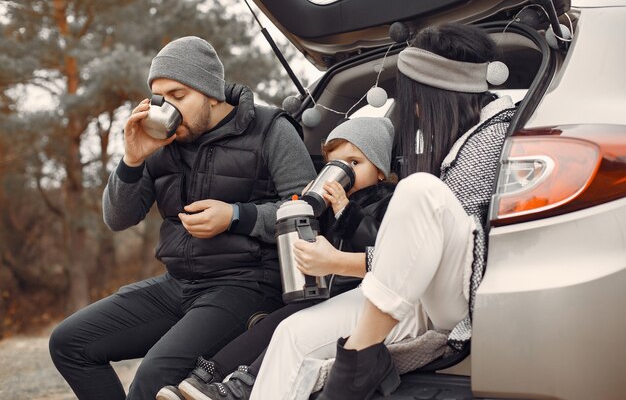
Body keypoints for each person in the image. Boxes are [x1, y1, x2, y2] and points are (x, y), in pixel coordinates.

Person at [247, 23, 517, 400]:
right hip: (410, 294)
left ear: (437, 94)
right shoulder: (459, 138)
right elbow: (406, 257)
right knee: (292, 334)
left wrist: (339, 262)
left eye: (415, 98)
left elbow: (438, 253)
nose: (415, 111)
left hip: (456, 295)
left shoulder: (492, 138)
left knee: (419, 188)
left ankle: (358, 356)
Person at [48, 36, 317, 400]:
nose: (168, 108)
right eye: (161, 97)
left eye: (178, 96)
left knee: (152, 378)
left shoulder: (271, 130)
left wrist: (237, 216)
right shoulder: (161, 143)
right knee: (70, 342)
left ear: (211, 92)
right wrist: (132, 160)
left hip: (248, 284)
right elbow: (117, 218)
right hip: (180, 284)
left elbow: (309, 212)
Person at [155, 116, 398, 400]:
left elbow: (380, 247)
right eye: (335, 164)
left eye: (355, 163)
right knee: (273, 322)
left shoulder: (388, 200)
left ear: (380, 171)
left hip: (356, 295)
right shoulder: (329, 205)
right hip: (321, 292)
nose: (346, 172)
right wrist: (305, 210)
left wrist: (347, 211)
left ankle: (240, 386)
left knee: (288, 327)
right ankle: (207, 375)